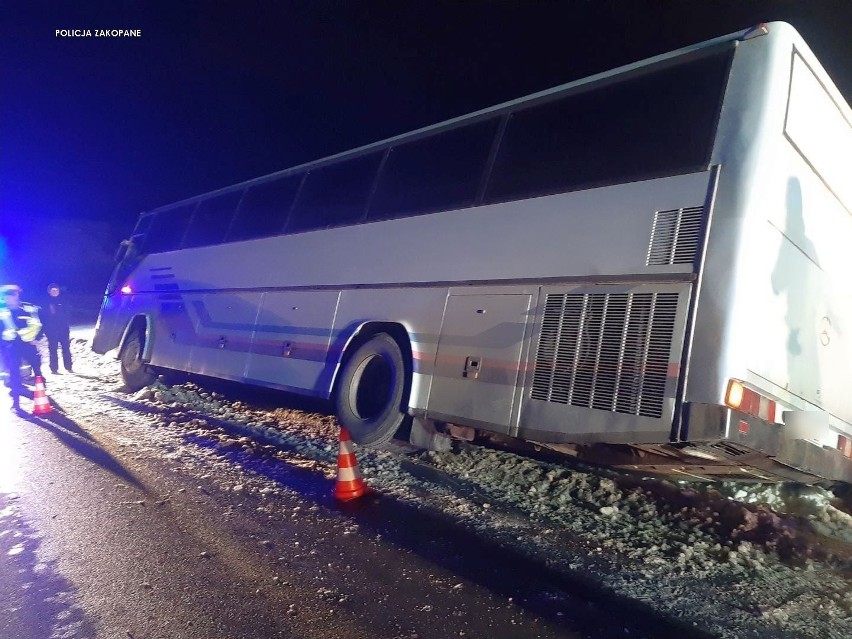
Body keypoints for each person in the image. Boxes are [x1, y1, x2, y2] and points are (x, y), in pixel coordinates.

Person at [0, 284, 44, 412]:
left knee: (36, 367)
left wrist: (37, 338)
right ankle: (16, 403)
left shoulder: (27, 308)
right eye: (6, 298)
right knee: (14, 372)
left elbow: (40, 323)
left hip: (28, 345)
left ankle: (42, 394)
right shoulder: (3, 312)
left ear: (17, 295)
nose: (9, 300)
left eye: (11, 297)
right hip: (11, 346)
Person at [41, 283, 73, 374]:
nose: (55, 292)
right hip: (51, 330)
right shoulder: (46, 302)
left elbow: (68, 313)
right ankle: (54, 368)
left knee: (66, 348)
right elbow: (43, 316)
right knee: (53, 349)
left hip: (63, 329)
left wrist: (66, 323)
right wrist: (46, 328)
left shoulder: (64, 300)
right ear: (49, 292)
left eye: (56, 290)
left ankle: (68, 366)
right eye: (53, 291)